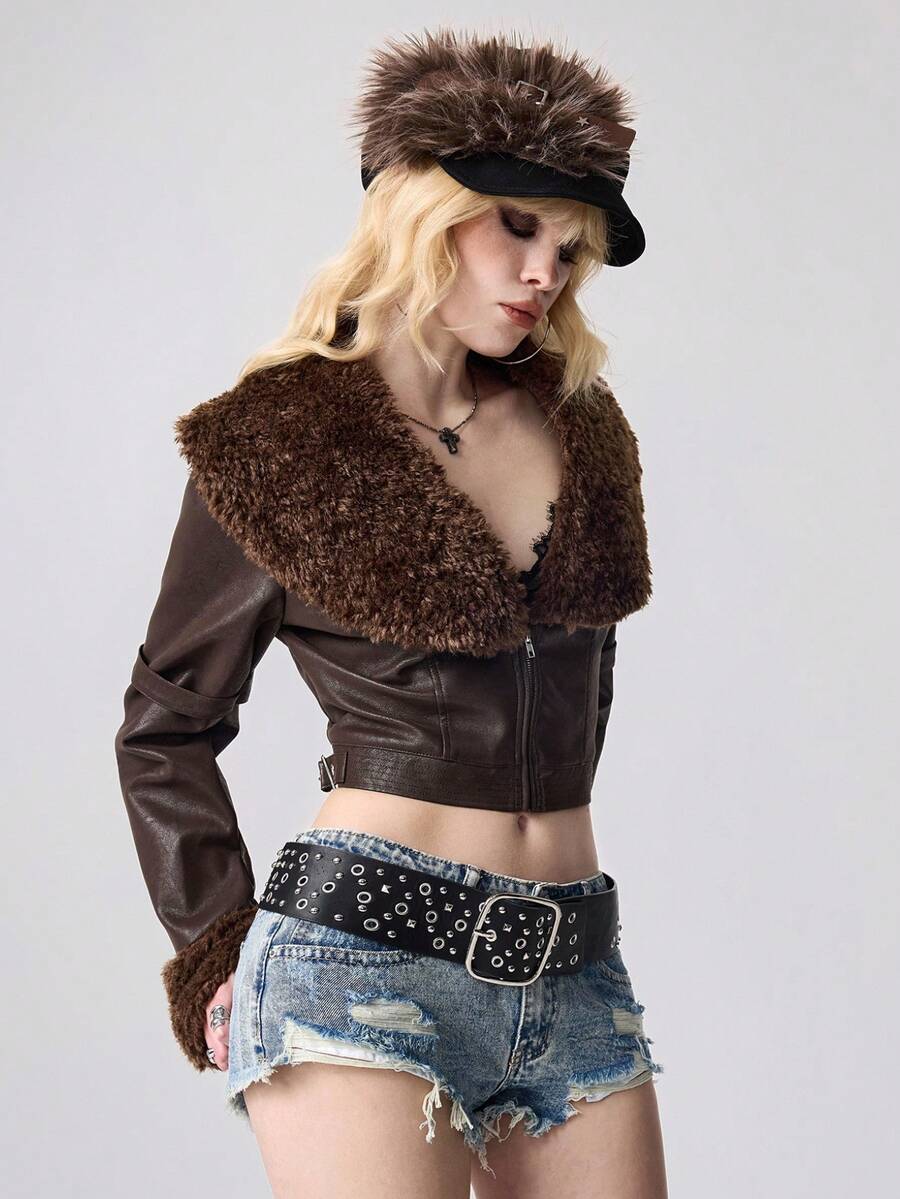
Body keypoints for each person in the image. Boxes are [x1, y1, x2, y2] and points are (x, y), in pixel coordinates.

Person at [114, 26, 667, 1198]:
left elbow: (584, 686)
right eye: (517, 225)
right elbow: (165, 723)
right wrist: (212, 941)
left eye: (569, 248)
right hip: (357, 960)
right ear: (423, 209)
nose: (545, 273)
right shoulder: (278, 442)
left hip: (574, 963)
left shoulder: (583, 426)